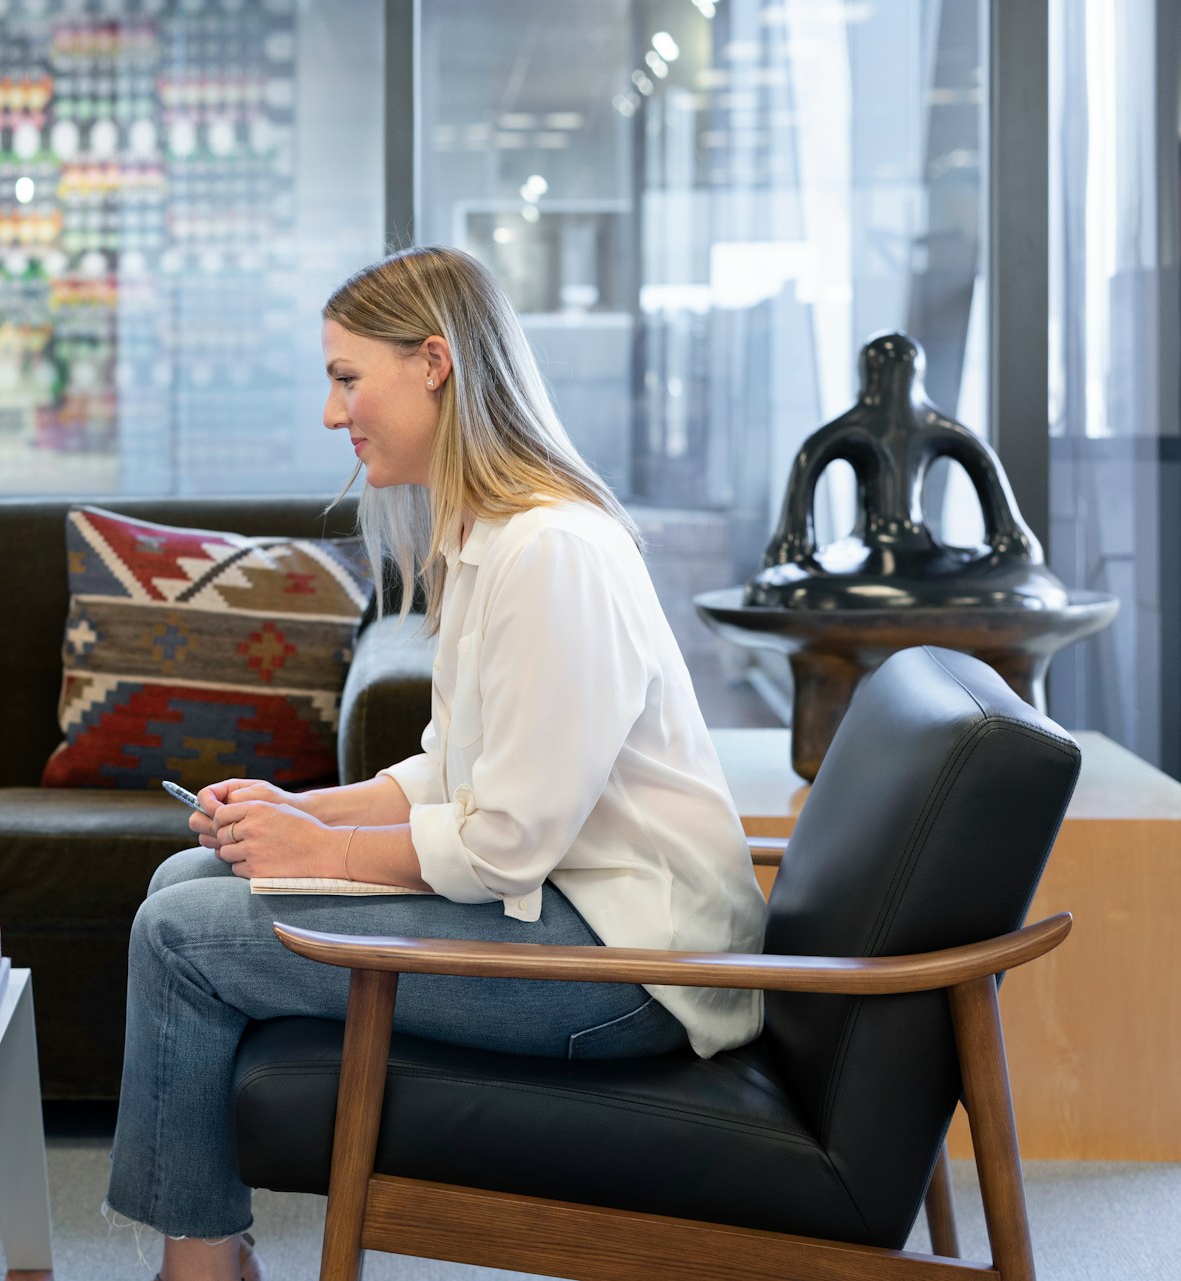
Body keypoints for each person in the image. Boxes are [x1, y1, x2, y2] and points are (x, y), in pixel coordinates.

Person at [103, 245, 767, 1281]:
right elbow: (445, 770)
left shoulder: (551, 553)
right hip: (570, 914)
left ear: (434, 364)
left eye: (345, 378)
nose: (333, 416)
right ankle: (210, 1254)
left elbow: (504, 842)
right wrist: (295, 809)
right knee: (185, 879)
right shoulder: (491, 539)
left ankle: (200, 1267)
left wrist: (320, 845)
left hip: (636, 968)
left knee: (183, 932)